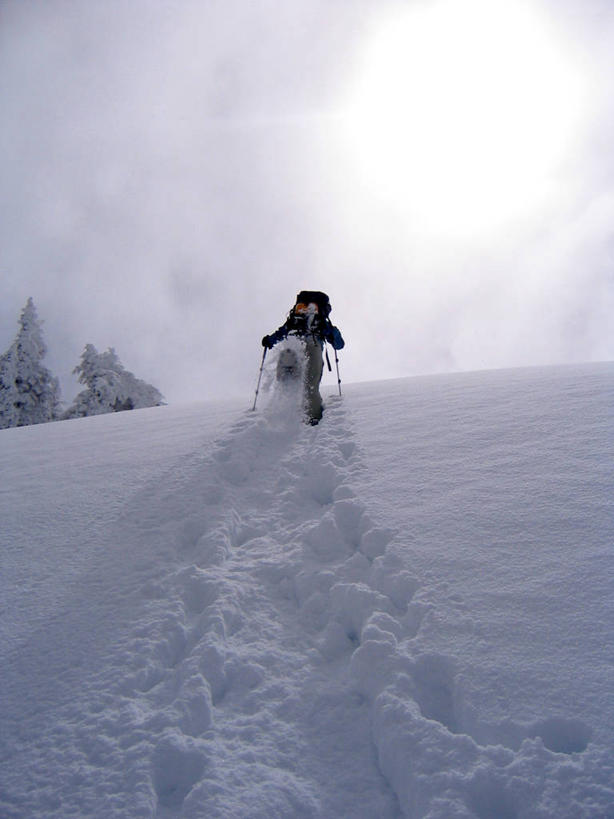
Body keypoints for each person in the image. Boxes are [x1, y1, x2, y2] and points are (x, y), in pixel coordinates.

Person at [262, 290, 344, 424]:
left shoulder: (294, 321)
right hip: (314, 346)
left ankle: (284, 415)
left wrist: (269, 340)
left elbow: (280, 333)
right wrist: (333, 333)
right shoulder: (322, 323)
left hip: (293, 347)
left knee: (287, 384)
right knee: (311, 386)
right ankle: (313, 419)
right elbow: (339, 345)